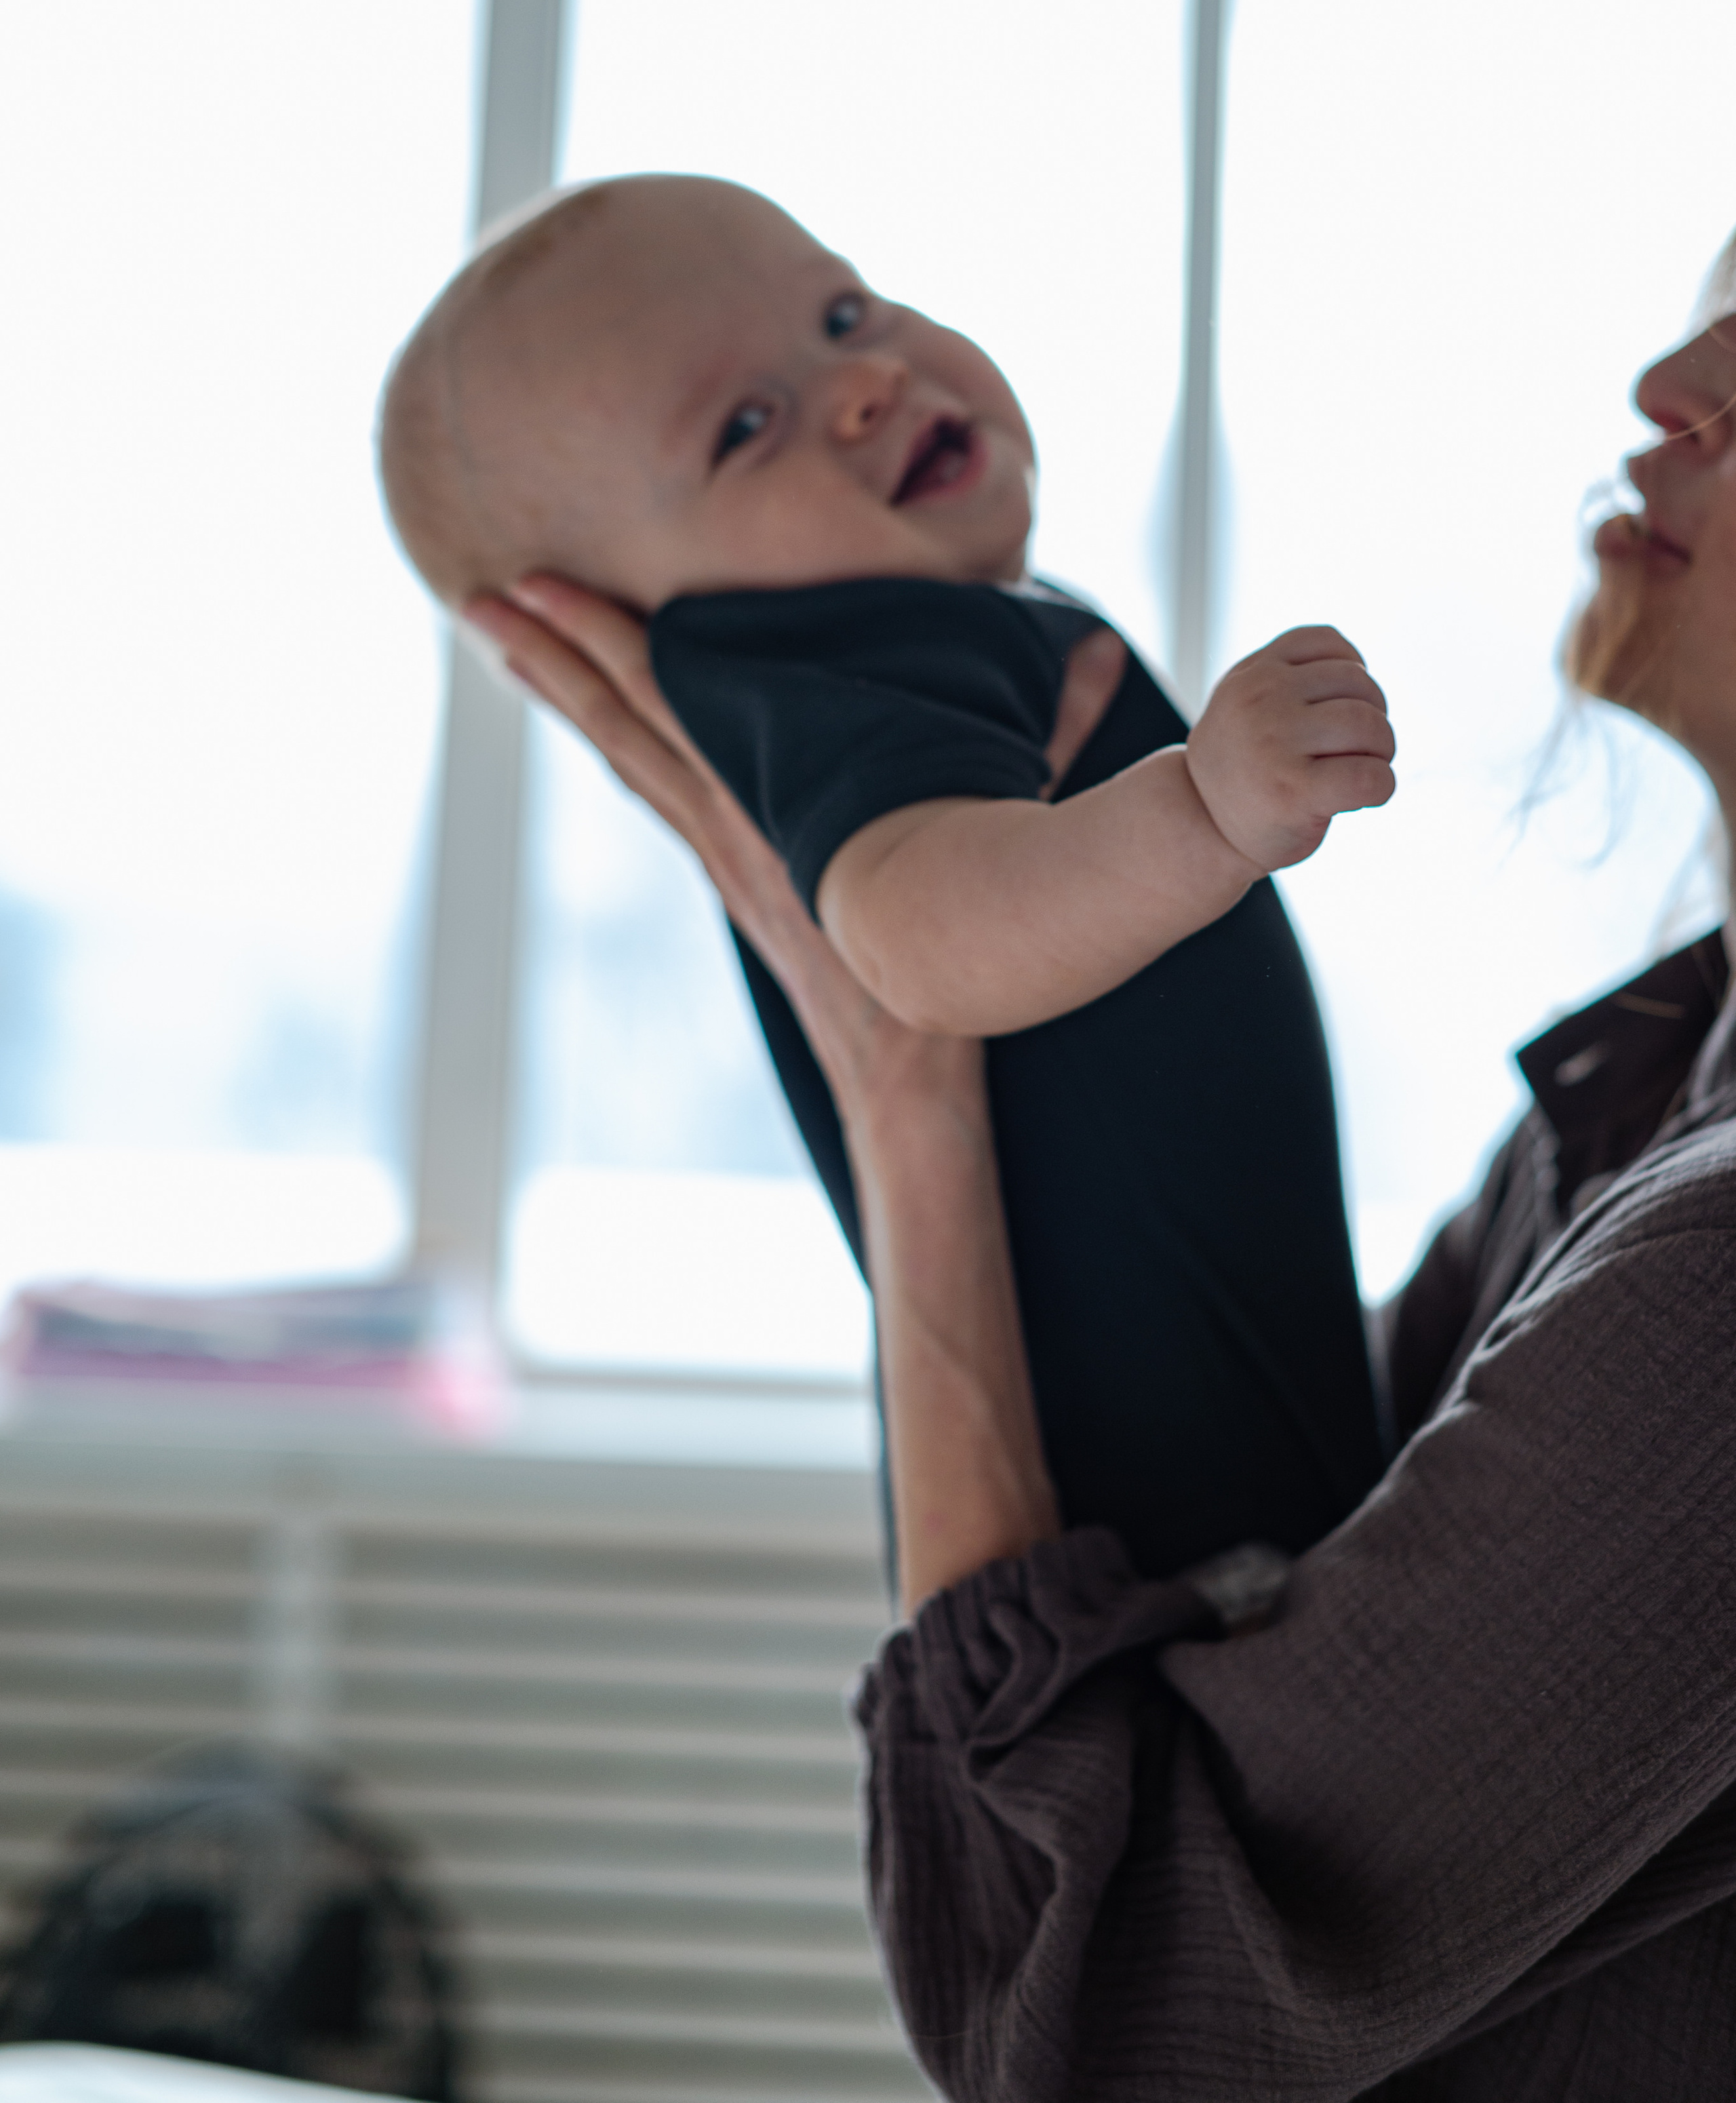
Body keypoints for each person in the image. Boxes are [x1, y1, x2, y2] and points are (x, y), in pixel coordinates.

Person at [469, 243, 1736, 2096]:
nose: (1667, 385)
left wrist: (918, 1131)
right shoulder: (1649, 1081)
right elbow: (1345, 1518)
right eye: (743, 423)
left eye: (851, 315)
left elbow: (1081, 2018)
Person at [379, 172, 1394, 1576]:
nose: (859, 381)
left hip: (1253, 1483)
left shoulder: (947, 631)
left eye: (840, 310)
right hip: (1175, 1566)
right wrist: (1196, 812)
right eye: (744, 427)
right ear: (651, 633)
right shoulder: (820, 670)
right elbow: (920, 938)